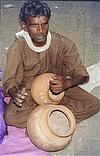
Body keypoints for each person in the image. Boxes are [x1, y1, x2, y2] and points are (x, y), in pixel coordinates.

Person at [3, 0, 100, 128]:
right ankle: (56, 116)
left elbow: (81, 73)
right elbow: (9, 81)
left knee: (94, 104)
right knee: (10, 118)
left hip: (59, 88)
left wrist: (67, 83)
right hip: (29, 91)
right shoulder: (18, 47)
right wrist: (15, 94)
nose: (40, 30)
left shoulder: (63, 43)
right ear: (25, 26)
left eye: (44, 24)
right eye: (34, 26)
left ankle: (45, 119)